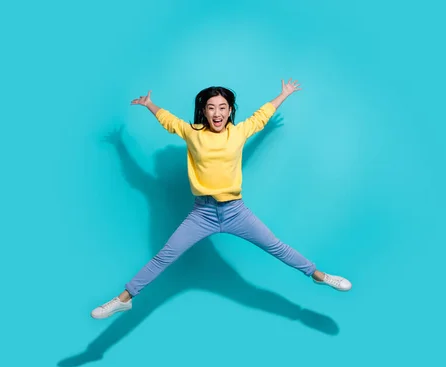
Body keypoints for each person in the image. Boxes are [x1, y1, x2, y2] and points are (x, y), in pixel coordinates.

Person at [91, 79, 352, 319]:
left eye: (223, 107)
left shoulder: (238, 133)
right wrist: (147, 108)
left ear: (230, 111)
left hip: (235, 212)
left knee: (276, 247)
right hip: (201, 214)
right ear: (203, 111)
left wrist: (283, 94)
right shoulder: (193, 132)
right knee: (163, 257)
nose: (217, 113)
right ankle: (124, 299)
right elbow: (168, 121)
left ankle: (318, 275)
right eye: (211, 107)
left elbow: (260, 118)